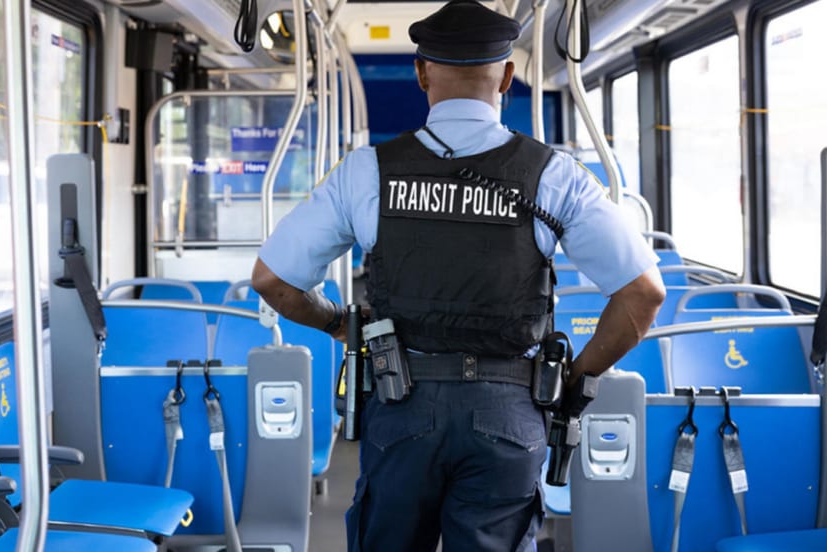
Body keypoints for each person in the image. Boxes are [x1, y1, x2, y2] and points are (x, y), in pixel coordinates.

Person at [251, 0, 666, 549]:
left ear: (421, 72)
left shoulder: (366, 171)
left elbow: (272, 280)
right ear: (509, 77)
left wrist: (337, 323)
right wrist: (574, 376)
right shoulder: (554, 175)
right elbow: (642, 296)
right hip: (510, 413)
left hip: (401, 406)